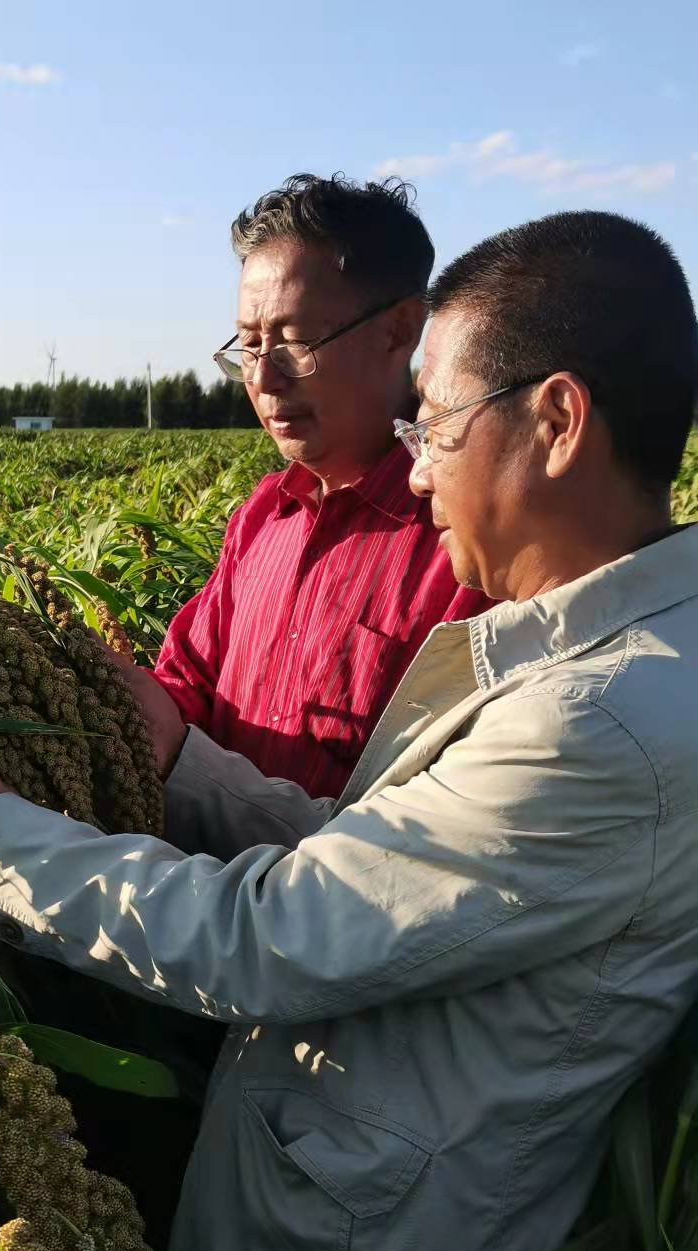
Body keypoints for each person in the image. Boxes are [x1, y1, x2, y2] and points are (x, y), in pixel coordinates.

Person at [0, 209, 698, 1251]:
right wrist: (179, 760)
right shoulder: (599, 656)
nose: (417, 465)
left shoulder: (604, 722)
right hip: (338, 1218)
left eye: (434, 423)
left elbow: (284, 930)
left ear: (556, 421)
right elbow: (372, 854)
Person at [153, 173, 490, 799]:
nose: (265, 379)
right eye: (248, 347)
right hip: (200, 890)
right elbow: (185, 684)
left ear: (399, 330)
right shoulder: (264, 516)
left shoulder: (468, 541)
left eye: (293, 343)